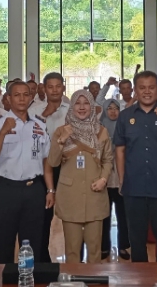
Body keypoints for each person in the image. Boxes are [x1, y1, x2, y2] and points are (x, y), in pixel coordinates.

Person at [113, 70, 157, 262]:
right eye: (142, 88)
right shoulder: (125, 116)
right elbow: (119, 150)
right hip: (134, 188)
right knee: (137, 243)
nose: (147, 91)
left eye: (151, 87)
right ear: (135, 91)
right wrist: (122, 179)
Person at [0, 81, 55, 263]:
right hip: (6, 189)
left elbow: (46, 159)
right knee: (3, 241)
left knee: (32, 243)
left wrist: (50, 189)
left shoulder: (39, 125)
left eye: (25, 94)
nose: (22, 98)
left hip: (33, 189)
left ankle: (29, 279)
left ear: (31, 98)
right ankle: (3, 280)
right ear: (8, 98)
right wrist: (3, 132)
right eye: (17, 95)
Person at [48, 90, 113, 263]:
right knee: (72, 252)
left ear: (92, 106)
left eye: (86, 103)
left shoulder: (101, 131)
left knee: (94, 251)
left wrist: (103, 179)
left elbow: (108, 160)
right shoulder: (61, 131)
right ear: (72, 106)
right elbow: (53, 162)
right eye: (78, 103)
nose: (82, 107)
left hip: (95, 195)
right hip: (70, 197)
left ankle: (94, 282)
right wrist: (61, 141)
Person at [29, 72, 69, 261]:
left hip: (66, 167)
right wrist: (45, 115)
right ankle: (42, 257)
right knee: (43, 215)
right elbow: (29, 136)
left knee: (71, 215)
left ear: (63, 87)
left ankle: (74, 256)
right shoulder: (34, 110)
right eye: (50, 86)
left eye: (58, 86)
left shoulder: (71, 110)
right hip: (40, 168)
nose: (54, 90)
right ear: (44, 88)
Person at [99, 98, 130, 261]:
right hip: (103, 174)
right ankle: (104, 246)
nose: (112, 111)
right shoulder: (99, 127)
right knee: (104, 213)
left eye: (115, 108)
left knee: (122, 213)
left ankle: (124, 245)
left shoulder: (125, 126)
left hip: (120, 173)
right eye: (109, 108)